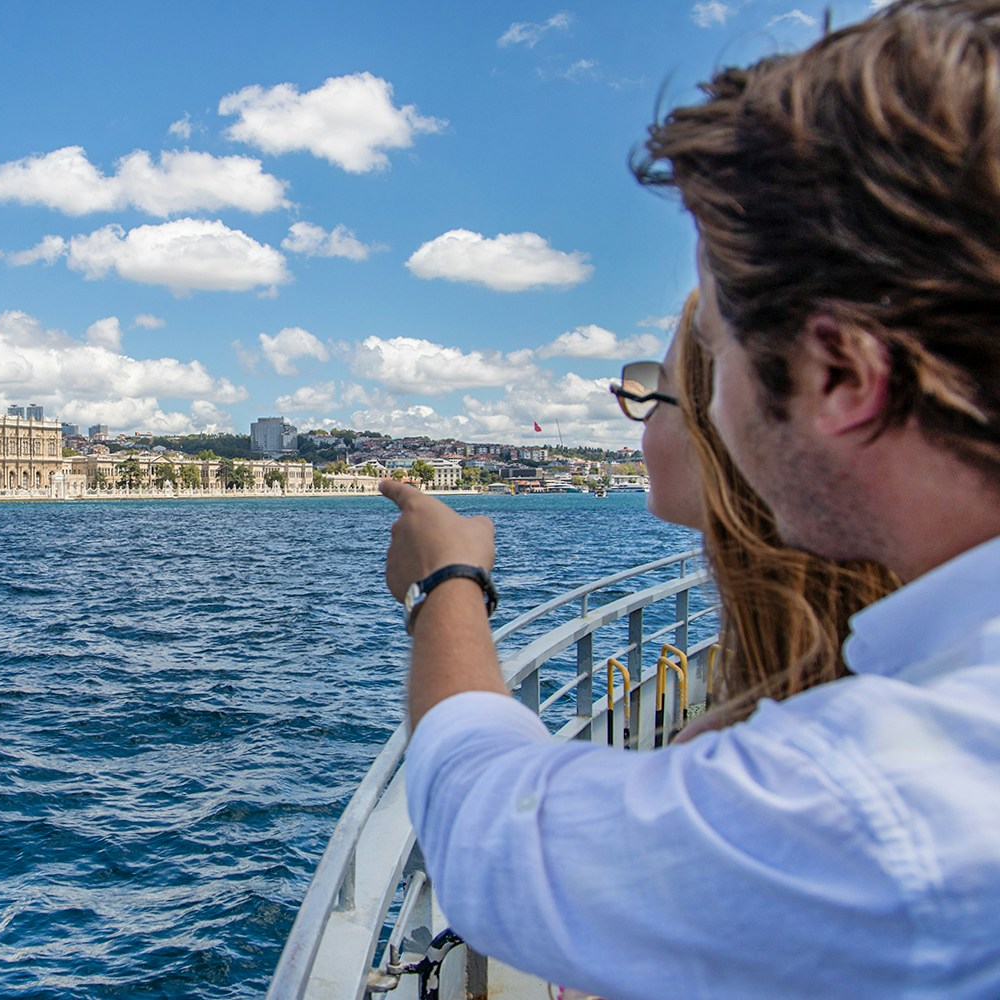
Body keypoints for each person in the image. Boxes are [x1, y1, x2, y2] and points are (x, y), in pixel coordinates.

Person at [381, 2, 1000, 995]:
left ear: (842, 373)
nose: (707, 398)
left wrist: (447, 580)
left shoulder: (888, 803)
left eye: (722, 344)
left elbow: (495, 836)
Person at [617, 292, 898, 739]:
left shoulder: (785, 750)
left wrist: (463, 577)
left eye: (656, 397)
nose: (642, 423)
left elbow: (510, 799)